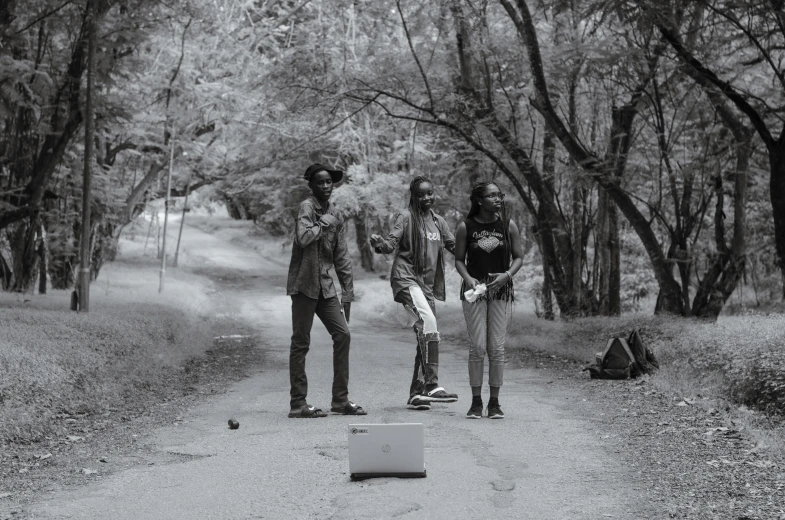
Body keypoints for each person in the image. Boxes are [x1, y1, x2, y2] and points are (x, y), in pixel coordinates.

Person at [369, 176, 458, 411]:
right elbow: (391, 243)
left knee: (425, 335)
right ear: (413, 196)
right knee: (428, 323)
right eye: (421, 194)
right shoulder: (406, 217)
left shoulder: (439, 222)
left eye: (430, 193)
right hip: (406, 278)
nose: (426, 198)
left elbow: (455, 247)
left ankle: (416, 393)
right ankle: (432, 385)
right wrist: (379, 244)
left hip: (427, 287)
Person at [286, 163, 366, 418]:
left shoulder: (335, 214)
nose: (325, 186)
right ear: (311, 185)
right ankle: (298, 404)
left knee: (343, 335)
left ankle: (340, 401)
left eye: (329, 182)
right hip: (304, 285)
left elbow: (342, 257)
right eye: (320, 182)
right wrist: (323, 224)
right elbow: (303, 238)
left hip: (325, 287)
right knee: (301, 342)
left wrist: (348, 294)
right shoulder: (307, 208)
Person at [454, 181, 523, 419]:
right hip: (475, 291)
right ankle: (475, 402)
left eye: (499, 195)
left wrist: (507, 276)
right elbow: (459, 260)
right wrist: (469, 279)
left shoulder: (507, 225)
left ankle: (494, 403)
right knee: (478, 346)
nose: (498, 200)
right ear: (479, 201)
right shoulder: (466, 226)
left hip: (500, 290)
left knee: (496, 347)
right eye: (492, 196)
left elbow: (519, 257)